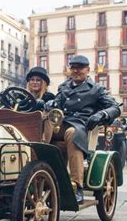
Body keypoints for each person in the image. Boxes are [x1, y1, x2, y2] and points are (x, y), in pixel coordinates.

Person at [45, 55, 121, 202]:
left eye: (79, 68)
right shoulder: (64, 87)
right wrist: (51, 103)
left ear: (88, 70)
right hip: (61, 123)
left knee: (72, 133)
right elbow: (58, 103)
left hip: (80, 125)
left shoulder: (97, 89)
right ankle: (39, 169)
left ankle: (76, 185)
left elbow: (115, 108)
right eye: (73, 68)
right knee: (43, 124)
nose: (76, 71)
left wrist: (101, 114)